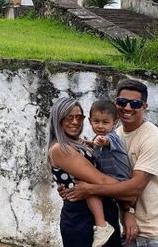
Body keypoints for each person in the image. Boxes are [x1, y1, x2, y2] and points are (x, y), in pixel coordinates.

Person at [65, 79, 158, 247]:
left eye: (135, 103)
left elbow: (134, 187)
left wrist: (89, 189)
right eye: (122, 102)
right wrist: (128, 211)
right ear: (116, 104)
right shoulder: (116, 134)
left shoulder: (153, 138)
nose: (127, 108)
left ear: (145, 107)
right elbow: (112, 176)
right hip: (130, 231)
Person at [48, 97, 123, 247]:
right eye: (69, 117)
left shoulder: (79, 143)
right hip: (82, 217)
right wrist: (129, 188)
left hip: (103, 211)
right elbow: (100, 180)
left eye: (79, 117)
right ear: (58, 119)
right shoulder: (60, 148)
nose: (75, 122)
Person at [88, 100, 130, 183]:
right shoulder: (96, 139)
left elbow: (106, 141)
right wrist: (90, 143)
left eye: (105, 122)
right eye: (96, 121)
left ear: (114, 123)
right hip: (109, 180)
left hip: (121, 180)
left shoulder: (112, 137)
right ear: (90, 121)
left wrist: (102, 141)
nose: (100, 126)